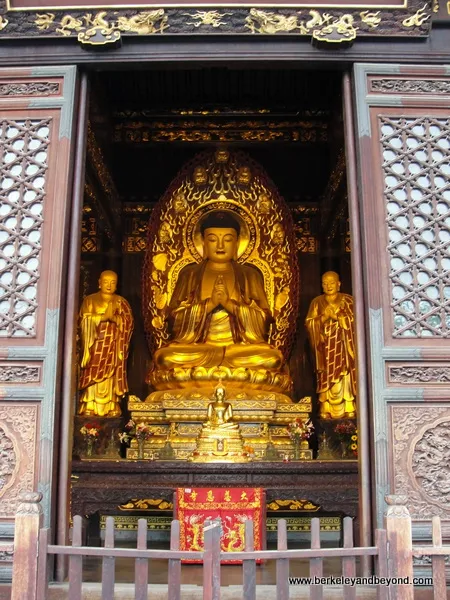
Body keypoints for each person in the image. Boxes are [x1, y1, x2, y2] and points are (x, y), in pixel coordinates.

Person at [153, 211, 283, 371]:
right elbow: (173, 319)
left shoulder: (250, 275)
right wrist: (210, 304)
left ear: (236, 244)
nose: (220, 245)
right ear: (204, 244)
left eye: (227, 240)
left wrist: (229, 305)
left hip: (238, 349)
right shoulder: (190, 274)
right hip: (200, 349)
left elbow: (264, 320)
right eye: (213, 239)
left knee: (273, 359)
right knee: (165, 358)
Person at [78, 270, 134, 417]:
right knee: (93, 374)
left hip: (113, 345)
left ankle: (111, 405)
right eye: (105, 282)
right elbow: (83, 321)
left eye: (113, 282)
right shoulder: (90, 300)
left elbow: (128, 323)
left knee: (111, 375)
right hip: (95, 345)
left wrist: (117, 320)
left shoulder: (121, 302)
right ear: (99, 282)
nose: (109, 285)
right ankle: (90, 405)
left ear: (117, 285)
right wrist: (104, 318)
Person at [305, 271, 356, 420]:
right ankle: (325, 407)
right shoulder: (317, 302)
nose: (328, 286)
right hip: (325, 348)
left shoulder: (348, 300)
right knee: (326, 376)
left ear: (339, 283)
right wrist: (323, 318)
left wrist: (337, 317)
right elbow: (309, 323)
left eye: (332, 282)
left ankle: (349, 406)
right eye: (325, 283)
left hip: (343, 346)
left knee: (344, 376)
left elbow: (356, 322)